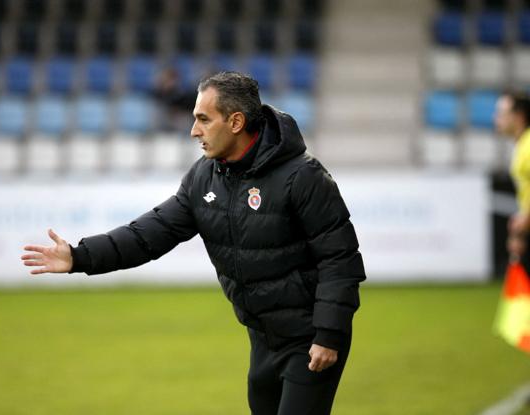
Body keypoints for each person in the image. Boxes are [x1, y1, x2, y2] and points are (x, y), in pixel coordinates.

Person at [21, 72, 366, 415]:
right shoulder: (204, 177)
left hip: (310, 339)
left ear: (235, 122)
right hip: (262, 337)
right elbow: (149, 234)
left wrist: (328, 335)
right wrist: (79, 257)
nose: (193, 130)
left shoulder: (303, 177)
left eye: (203, 119)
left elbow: (339, 259)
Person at [495, 92, 530, 267]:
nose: (496, 119)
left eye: (502, 113)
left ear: (519, 116)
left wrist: (526, 219)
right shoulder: (522, 145)